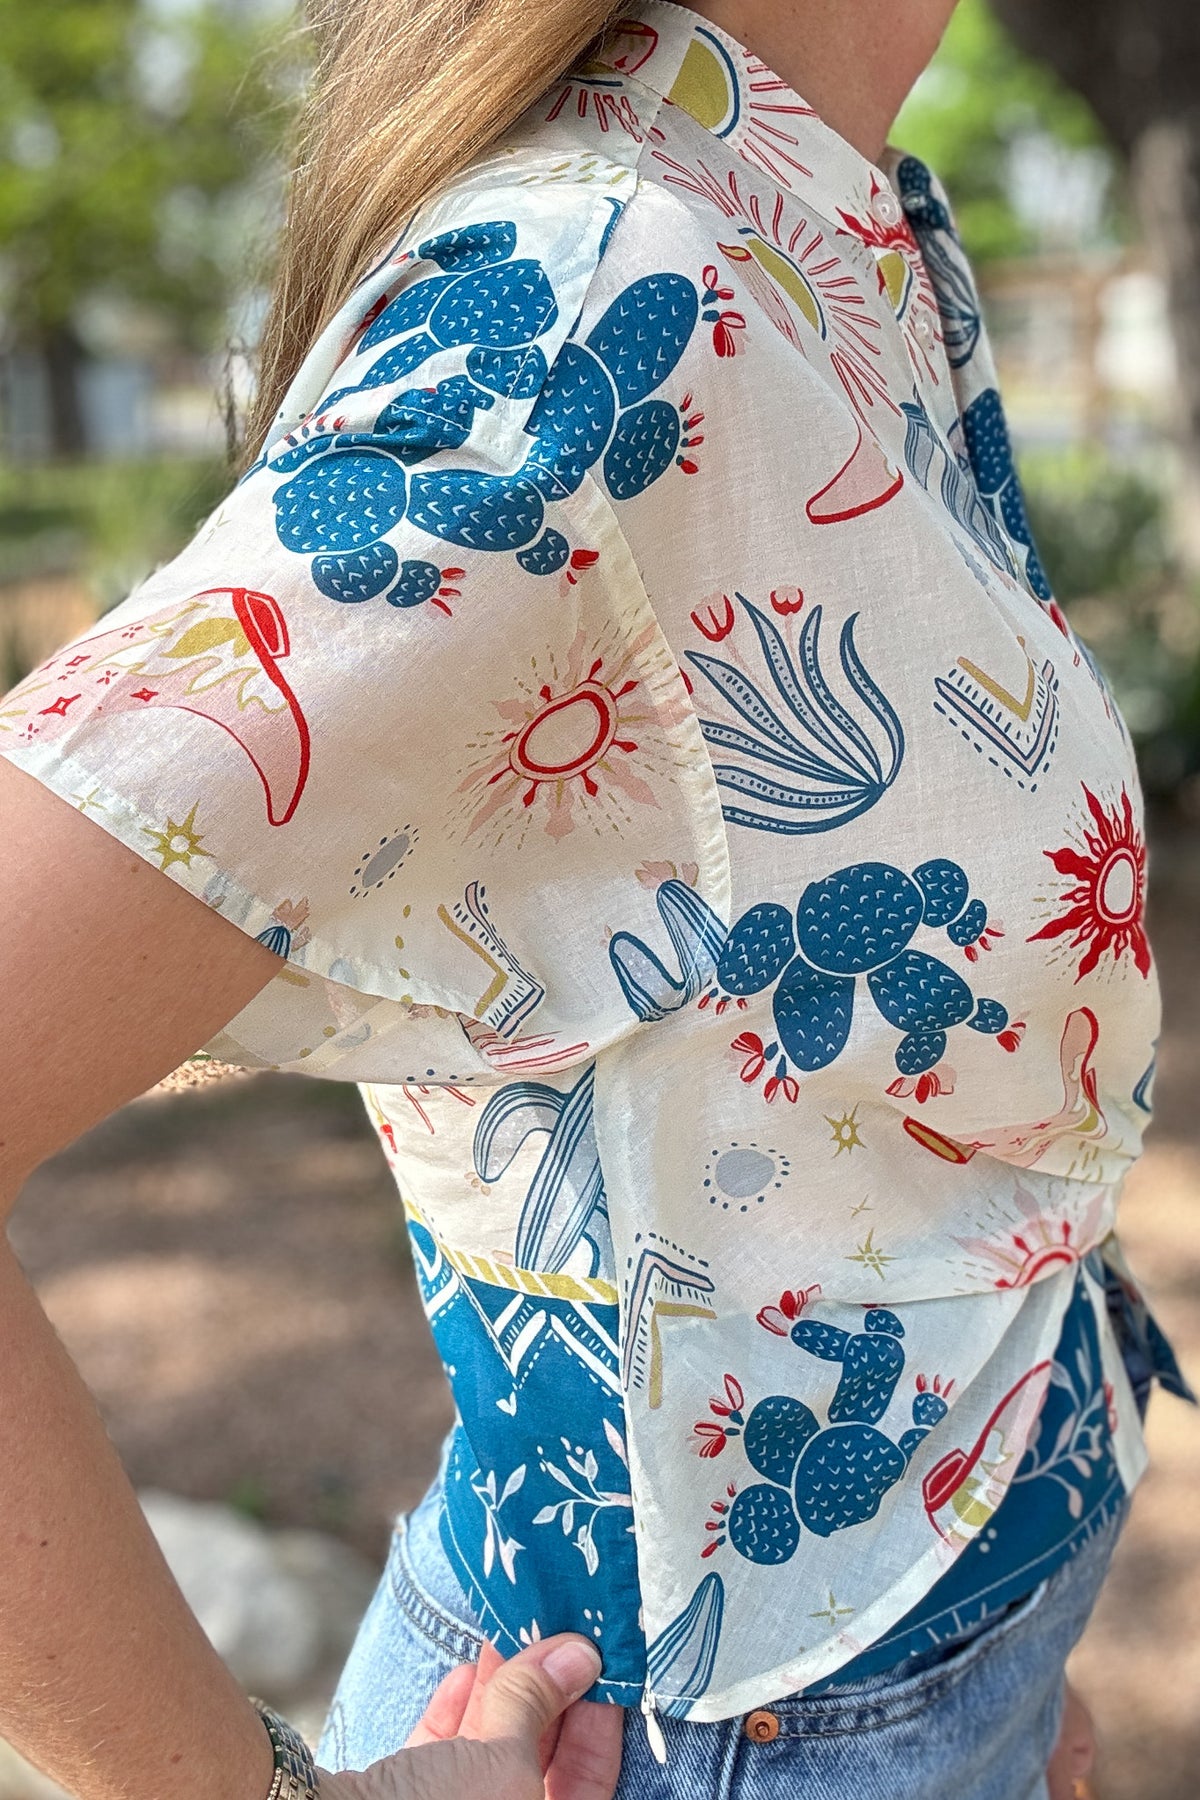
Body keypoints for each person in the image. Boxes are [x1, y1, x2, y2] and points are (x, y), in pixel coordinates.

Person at [0, 2, 1193, 1797]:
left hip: (885, 1655)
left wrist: (989, 1645)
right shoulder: (597, 315)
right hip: (703, 1726)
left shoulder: (816, 217)